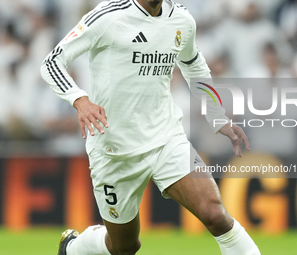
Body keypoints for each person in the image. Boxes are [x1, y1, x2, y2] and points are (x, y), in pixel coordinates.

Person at [40, 0, 261, 254]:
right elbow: (52, 62)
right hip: (115, 149)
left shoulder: (181, 20)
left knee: (215, 214)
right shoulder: (108, 16)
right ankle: (73, 248)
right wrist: (80, 100)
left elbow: (193, 63)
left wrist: (216, 114)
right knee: (124, 246)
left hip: (166, 137)